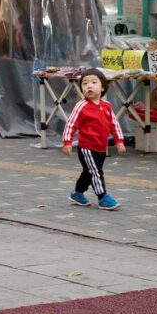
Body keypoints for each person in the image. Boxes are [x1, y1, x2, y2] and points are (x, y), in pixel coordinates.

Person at [61, 68, 125, 210]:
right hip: (87, 147)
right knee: (96, 172)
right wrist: (67, 142)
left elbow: (114, 124)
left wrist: (119, 141)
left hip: (101, 147)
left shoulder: (106, 106)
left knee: (89, 172)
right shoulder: (81, 106)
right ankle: (102, 197)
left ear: (102, 87)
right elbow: (71, 124)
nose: (89, 86)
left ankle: (77, 193)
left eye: (94, 82)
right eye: (85, 84)